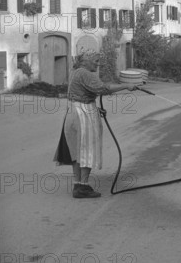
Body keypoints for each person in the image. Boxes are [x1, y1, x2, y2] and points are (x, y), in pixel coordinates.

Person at [53, 51, 137, 198]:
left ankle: (78, 184)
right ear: (86, 61)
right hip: (83, 114)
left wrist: (96, 109)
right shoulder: (86, 74)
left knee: (77, 150)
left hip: (73, 111)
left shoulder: (75, 72)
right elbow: (104, 89)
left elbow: (81, 94)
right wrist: (126, 86)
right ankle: (83, 187)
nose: (98, 64)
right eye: (96, 61)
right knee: (87, 149)